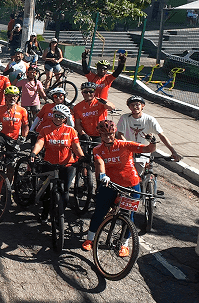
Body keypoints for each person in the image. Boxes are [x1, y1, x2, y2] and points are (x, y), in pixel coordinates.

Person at [81, 120, 155, 255]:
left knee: (129, 215)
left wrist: (153, 141)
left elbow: (148, 149)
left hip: (131, 185)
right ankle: (89, 239)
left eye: (110, 134)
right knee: (100, 212)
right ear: (100, 135)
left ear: (114, 133)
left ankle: (124, 244)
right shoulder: (98, 149)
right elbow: (99, 161)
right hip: (110, 184)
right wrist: (103, 175)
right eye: (104, 135)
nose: (108, 137)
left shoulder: (124, 145)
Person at [30, 104, 84, 223]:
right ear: (52, 115)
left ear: (65, 118)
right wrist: (34, 153)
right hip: (49, 164)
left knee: (64, 191)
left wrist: (82, 157)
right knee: (46, 191)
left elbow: (76, 146)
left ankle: (60, 214)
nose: (57, 118)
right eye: (56, 115)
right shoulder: (45, 129)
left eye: (61, 116)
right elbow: (40, 143)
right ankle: (45, 213)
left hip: (67, 165)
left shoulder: (71, 131)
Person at [116, 95, 182, 175]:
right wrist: (128, 147)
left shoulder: (150, 119)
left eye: (137, 104)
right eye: (132, 105)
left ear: (142, 105)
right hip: (129, 149)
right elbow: (120, 135)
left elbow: (161, 136)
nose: (135, 107)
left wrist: (173, 152)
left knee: (137, 173)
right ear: (129, 107)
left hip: (144, 150)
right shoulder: (124, 118)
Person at [0, 86, 29, 173]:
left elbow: (25, 126)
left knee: (11, 166)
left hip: (14, 139)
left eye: (15, 96)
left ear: (18, 97)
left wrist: (24, 137)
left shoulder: (22, 111)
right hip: (1, 136)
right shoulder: (0, 109)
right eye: (9, 96)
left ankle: (7, 185)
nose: (12, 98)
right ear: (5, 96)